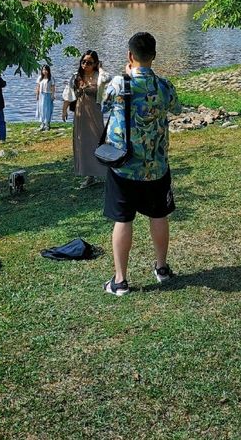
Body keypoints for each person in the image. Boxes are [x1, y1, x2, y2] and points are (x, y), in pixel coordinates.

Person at [101, 32, 182, 296]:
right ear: (154, 56)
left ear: (129, 56)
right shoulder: (163, 86)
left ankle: (120, 281)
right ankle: (161, 268)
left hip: (124, 165)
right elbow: (177, 108)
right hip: (156, 164)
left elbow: (102, 106)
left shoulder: (118, 84)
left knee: (123, 220)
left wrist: (125, 76)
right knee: (159, 215)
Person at [62, 50, 112, 189]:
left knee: (97, 140)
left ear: (95, 63)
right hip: (80, 113)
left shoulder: (99, 76)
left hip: (95, 113)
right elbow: (68, 94)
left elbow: (109, 78)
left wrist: (100, 68)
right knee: (82, 141)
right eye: (83, 61)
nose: (85, 65)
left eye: (89, 62)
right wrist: (64, 110)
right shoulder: (76, 77)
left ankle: (104, 171)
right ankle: (89, 175)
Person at [35, 65, 55, 130]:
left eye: (46, 70)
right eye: (43, 70)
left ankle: (47, 124)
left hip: (48, 95)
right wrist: (37, 95)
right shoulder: (40, 78)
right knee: (41, 109)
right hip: (41, 95)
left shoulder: (51, 78)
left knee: (48, 109)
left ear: (48, 71)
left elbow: (53, 87)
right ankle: (42, 123)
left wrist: (52, 95)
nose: (45, 71)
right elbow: (37, 87)